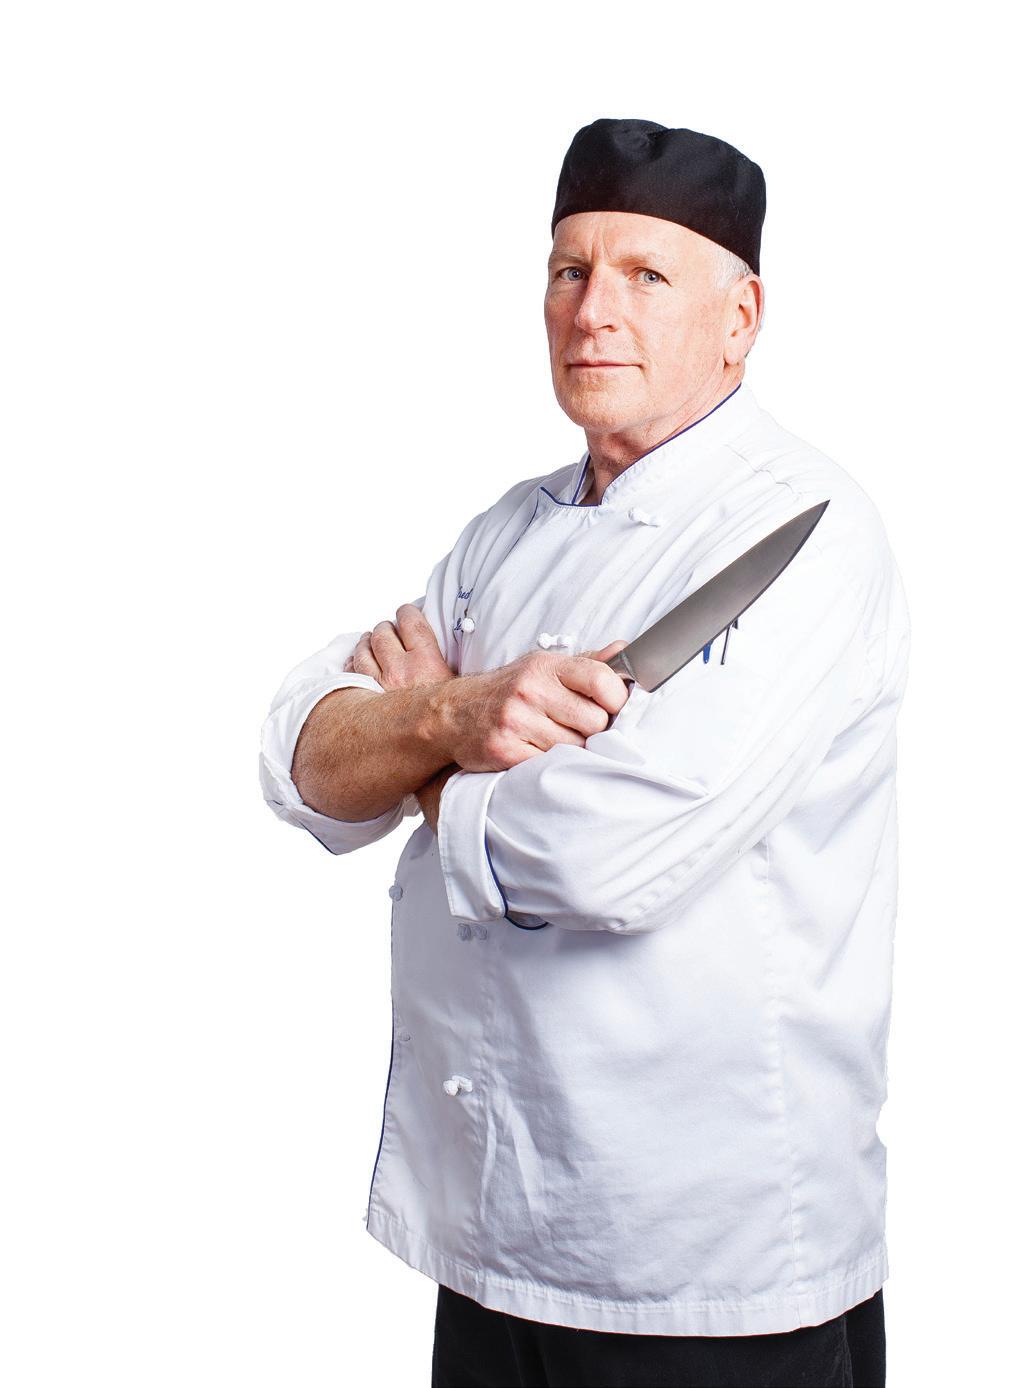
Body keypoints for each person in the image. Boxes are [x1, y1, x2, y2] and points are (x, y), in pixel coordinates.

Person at [259, 117, 909, 1388]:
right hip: (490, 1231)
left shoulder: (805, 530)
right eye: (569, 269)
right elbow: (301, 755)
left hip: (710, 1272)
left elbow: (603, 856)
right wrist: (450, 718)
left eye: (644, 274)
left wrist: (417, 750)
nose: (591, 309)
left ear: (740, 317)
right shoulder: (504, 532)